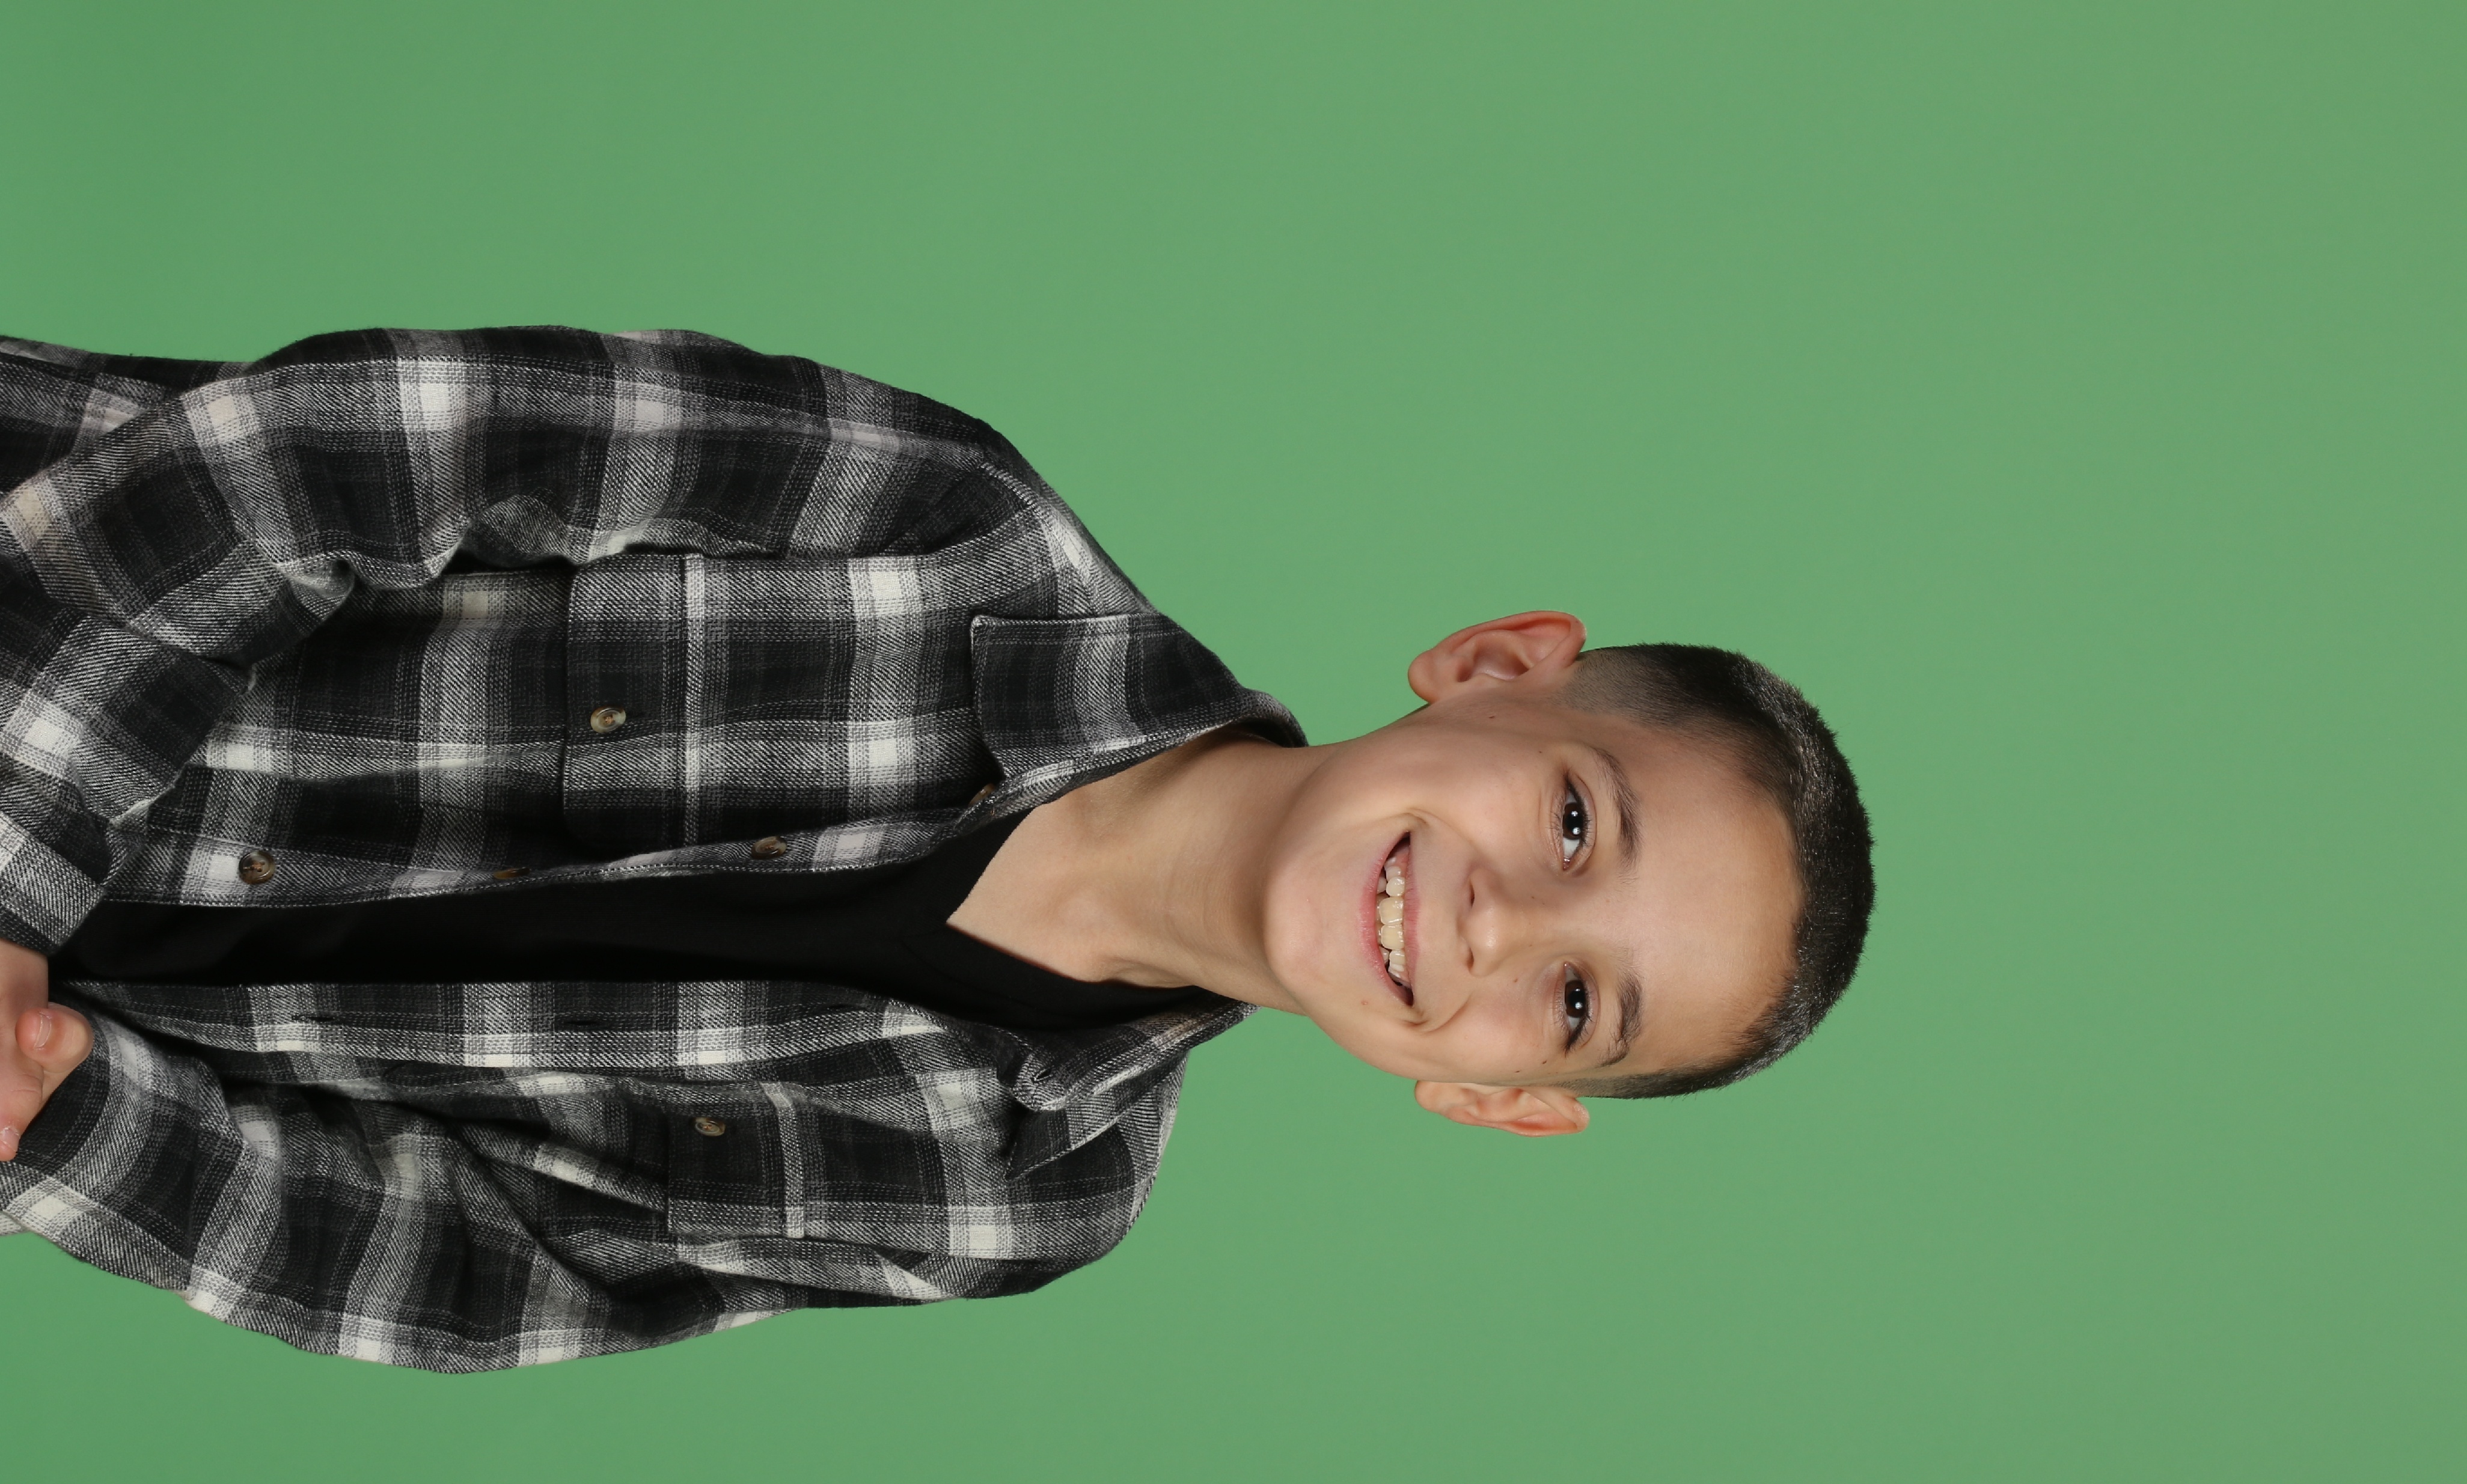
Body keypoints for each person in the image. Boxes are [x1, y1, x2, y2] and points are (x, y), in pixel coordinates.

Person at [0, 326, 1872, 1371]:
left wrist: (64, 1116)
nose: (1496, 923)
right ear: (1493, 667)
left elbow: (499, 1266)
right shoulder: (942, 525)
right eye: (1573, 822)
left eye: (1574, 1001)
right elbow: (319, 458)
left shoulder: (1017, 1205)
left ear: (1493, 1100)